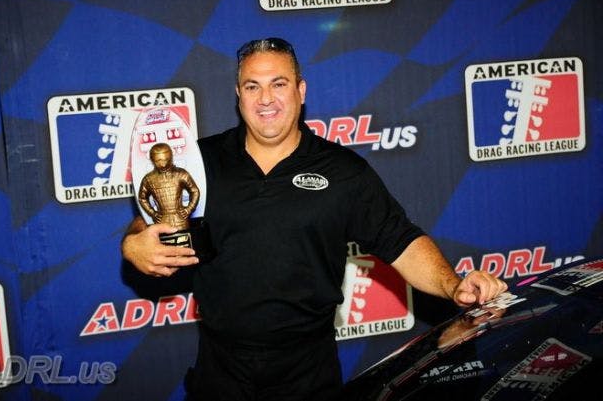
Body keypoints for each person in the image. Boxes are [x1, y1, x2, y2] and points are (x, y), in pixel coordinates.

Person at [121, 37, 508, 401]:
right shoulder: (200, 161)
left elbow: (400, 240)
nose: (265, 98)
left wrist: (453, 285)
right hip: (220, 372)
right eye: (253, 86)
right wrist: (134, 241)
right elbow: (154, 220)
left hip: (308, 374)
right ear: (239, 95)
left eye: (278, 84)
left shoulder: (343, 171)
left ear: (301, 91)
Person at [137, 142, 200, 231]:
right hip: (161, 220)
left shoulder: (181, 174)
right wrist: (153, 213)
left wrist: (189, 209)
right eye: (158, 161)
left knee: (184, 239)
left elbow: (195, 191)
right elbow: (142, 198)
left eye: (166, 159)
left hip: (180, 219)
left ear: (170, 157)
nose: (163, 164)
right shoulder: (148, 179)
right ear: (152, 160)